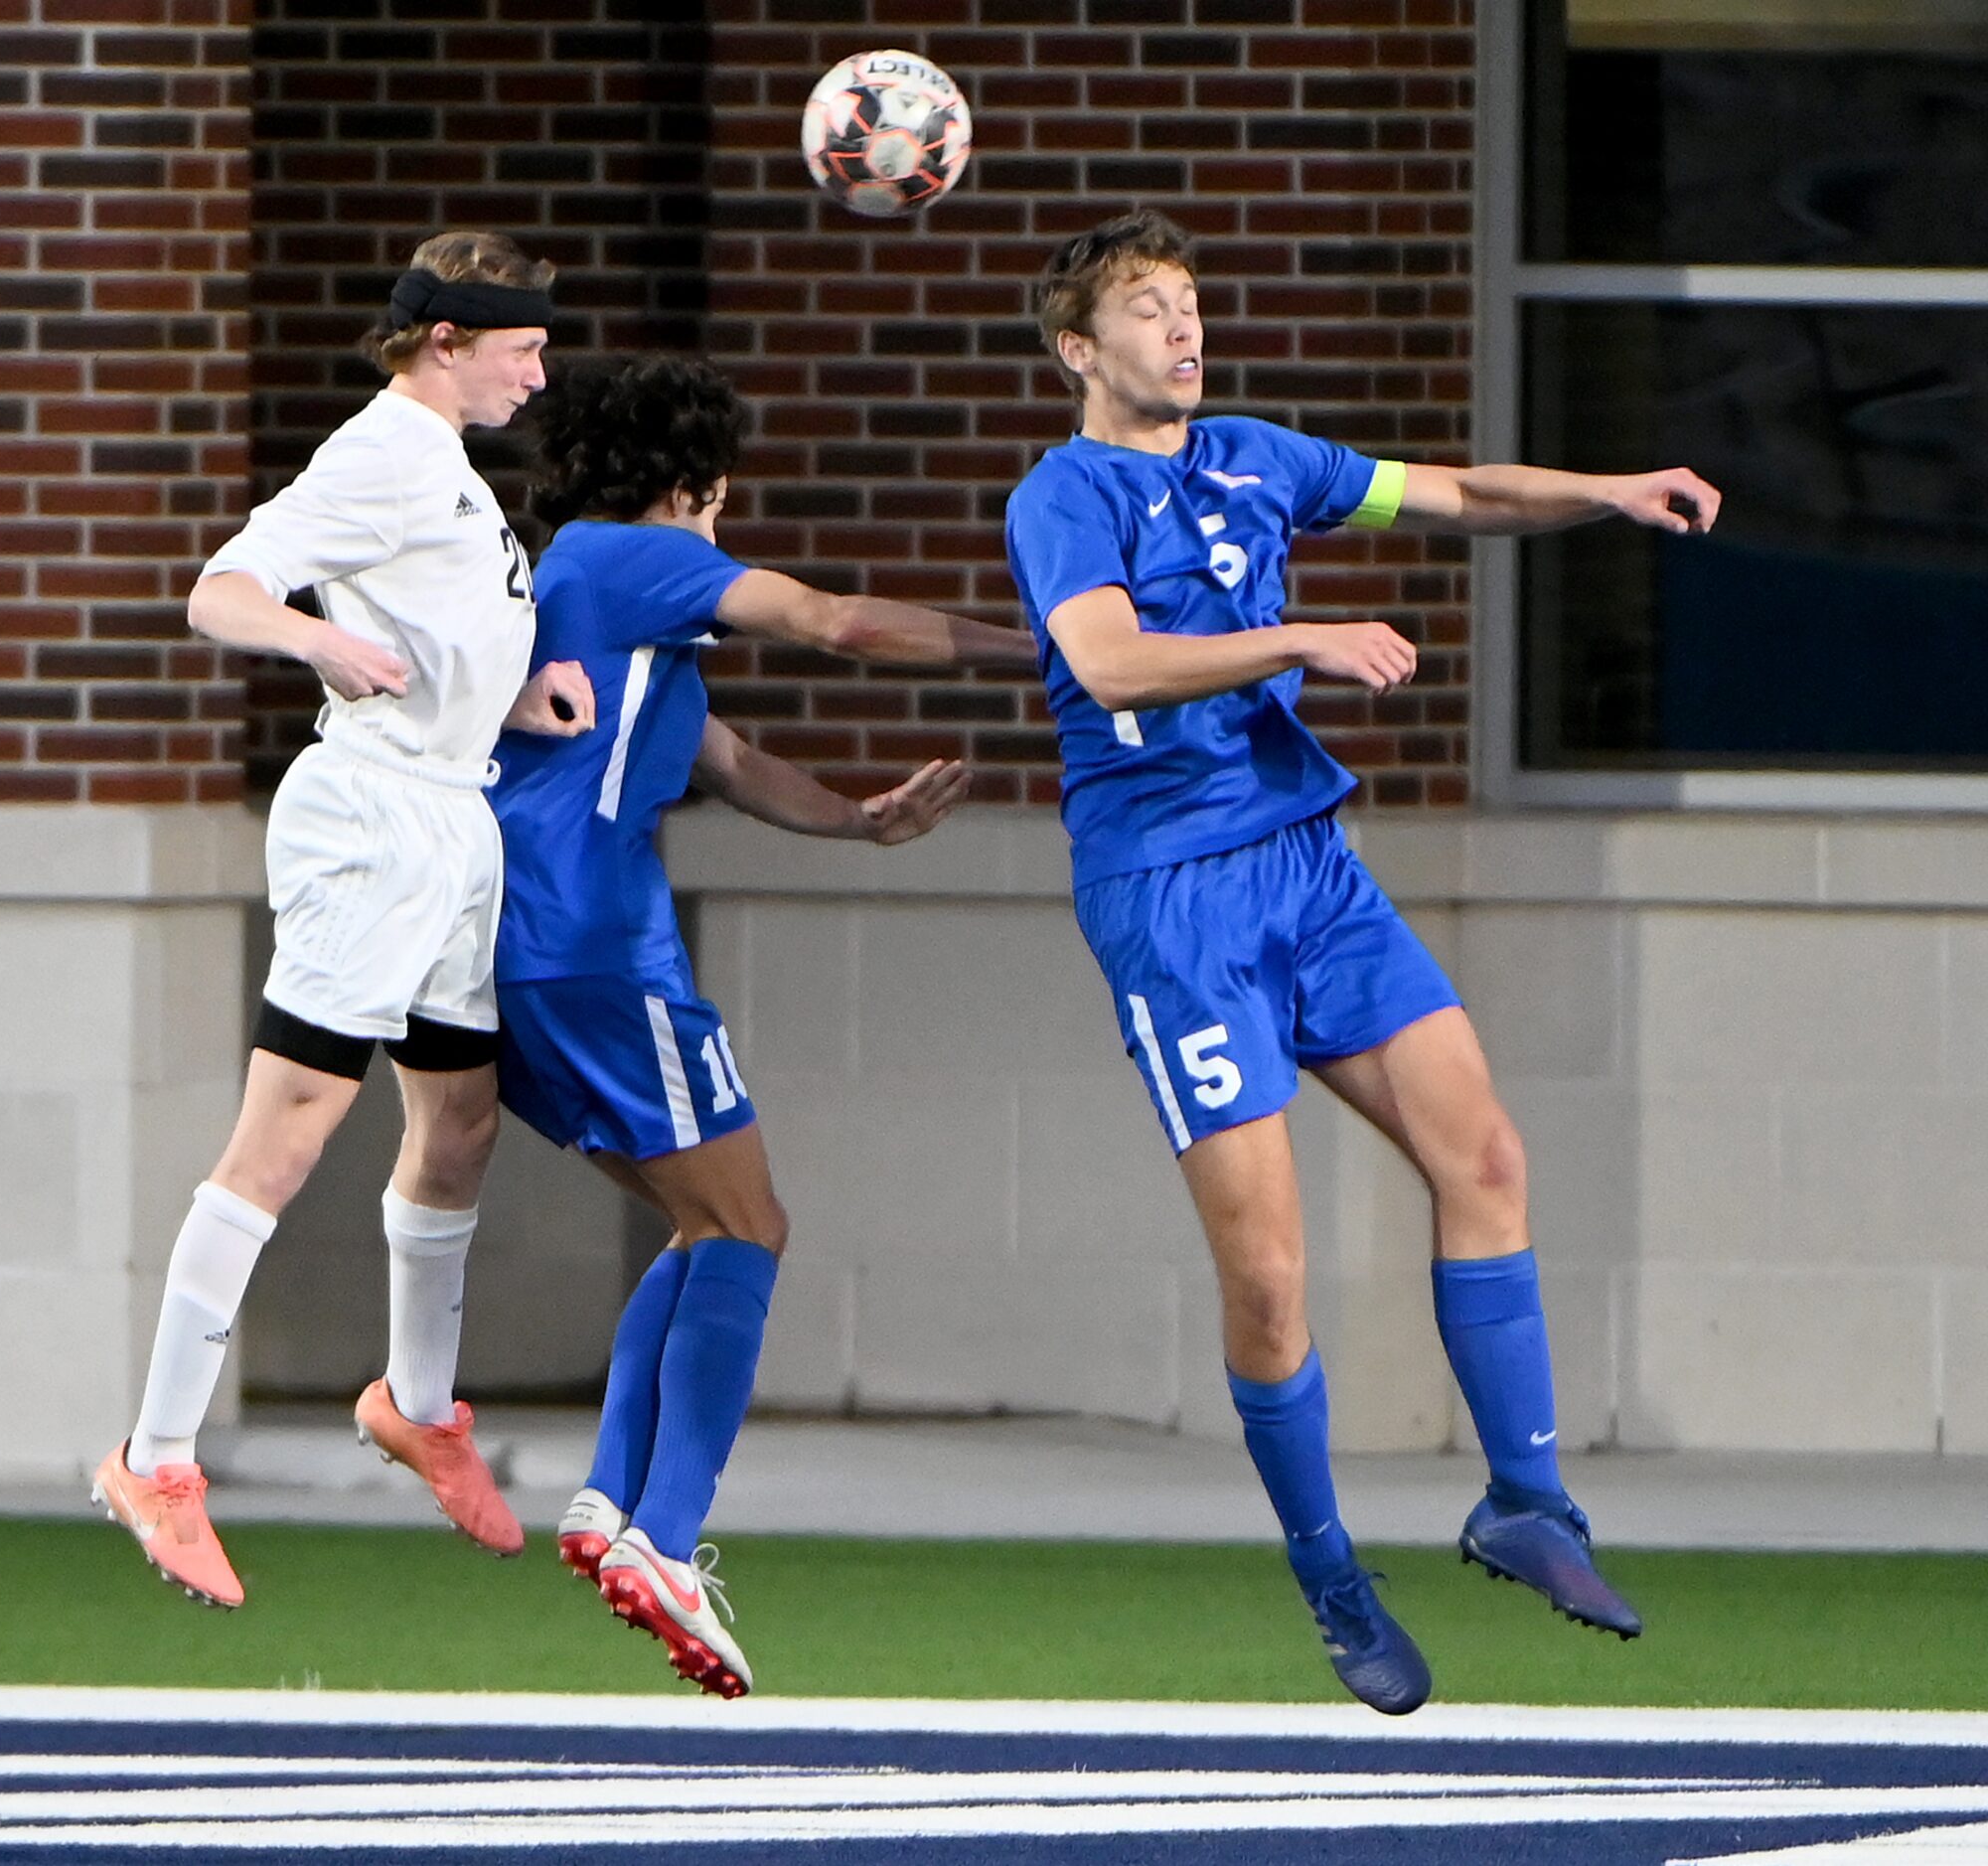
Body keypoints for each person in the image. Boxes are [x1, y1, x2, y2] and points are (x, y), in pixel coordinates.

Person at [1003, 209, 1721, 1716]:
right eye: (1148, 310)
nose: (1184, 331)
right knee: (1270, 1277)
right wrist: (1301, 640)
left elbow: (1453, 491)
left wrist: (1605, 489)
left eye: (1192, 303)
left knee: (1489, 1155)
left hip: (1309, 868)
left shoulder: (1258, 453)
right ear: (1081, 349)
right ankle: (1332, 1572)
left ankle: (1525, 1502)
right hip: (1172, 900)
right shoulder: (1066, 495)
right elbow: (1110, 662)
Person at [492, 356, 1036, 1697]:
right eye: (721, 497)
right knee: (752, 1224)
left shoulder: (586, 588)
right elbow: (836, 620)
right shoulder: (637, 556)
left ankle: (614, 1503)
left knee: (705, 1219)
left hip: (517, 951)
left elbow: (729, 763)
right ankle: (666, 1533)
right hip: (598, 949)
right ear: (689, 483)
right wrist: (1053, 651)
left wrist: (858, 818)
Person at [90, 232, 597, 1609]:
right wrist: (317, 639)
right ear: (447, 342)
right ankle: (158, 1458)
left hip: (451, 819)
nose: (540, 373)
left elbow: (431, 624)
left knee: (460, 1121)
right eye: (523, 346)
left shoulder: (446, 471)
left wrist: (504, 695)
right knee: (290, 1134)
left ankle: (416, 1404)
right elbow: (224, 590)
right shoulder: (382, 448)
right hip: (368, 824)